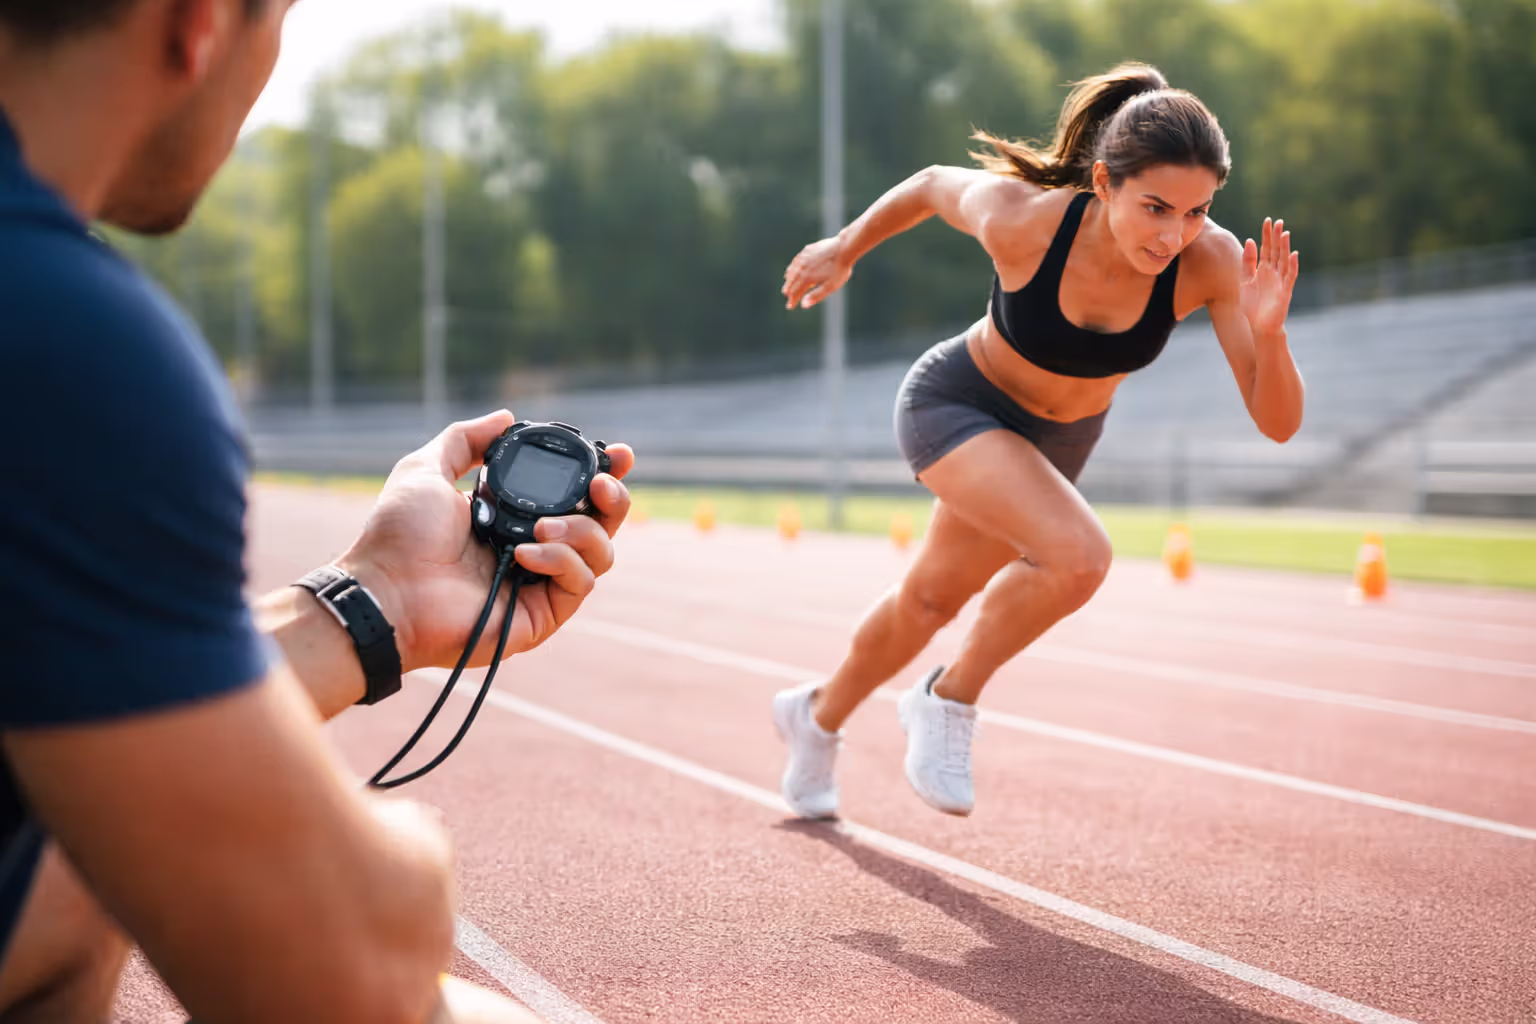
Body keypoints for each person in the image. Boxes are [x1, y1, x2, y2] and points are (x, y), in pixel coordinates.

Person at [0, 1, 634, 1020]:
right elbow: (350, 971)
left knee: (65, 861)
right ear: (198, 23)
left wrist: (378, 598)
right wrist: (407, 862)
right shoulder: (63, 336)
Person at [773, 62, 1304, 820]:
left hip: (1056, 441)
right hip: (957, 403)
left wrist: (1270, 334)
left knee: (929, 600)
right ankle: (947, 700)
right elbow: (929, 182)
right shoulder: (1026, 218)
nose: (1172, 234)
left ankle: (815, 716)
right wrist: (847, 247)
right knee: (1080, 557)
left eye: (1194, 211)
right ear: (1103, 181)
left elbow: (1277, 421)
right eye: (1155, 207)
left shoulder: (1212, 262)